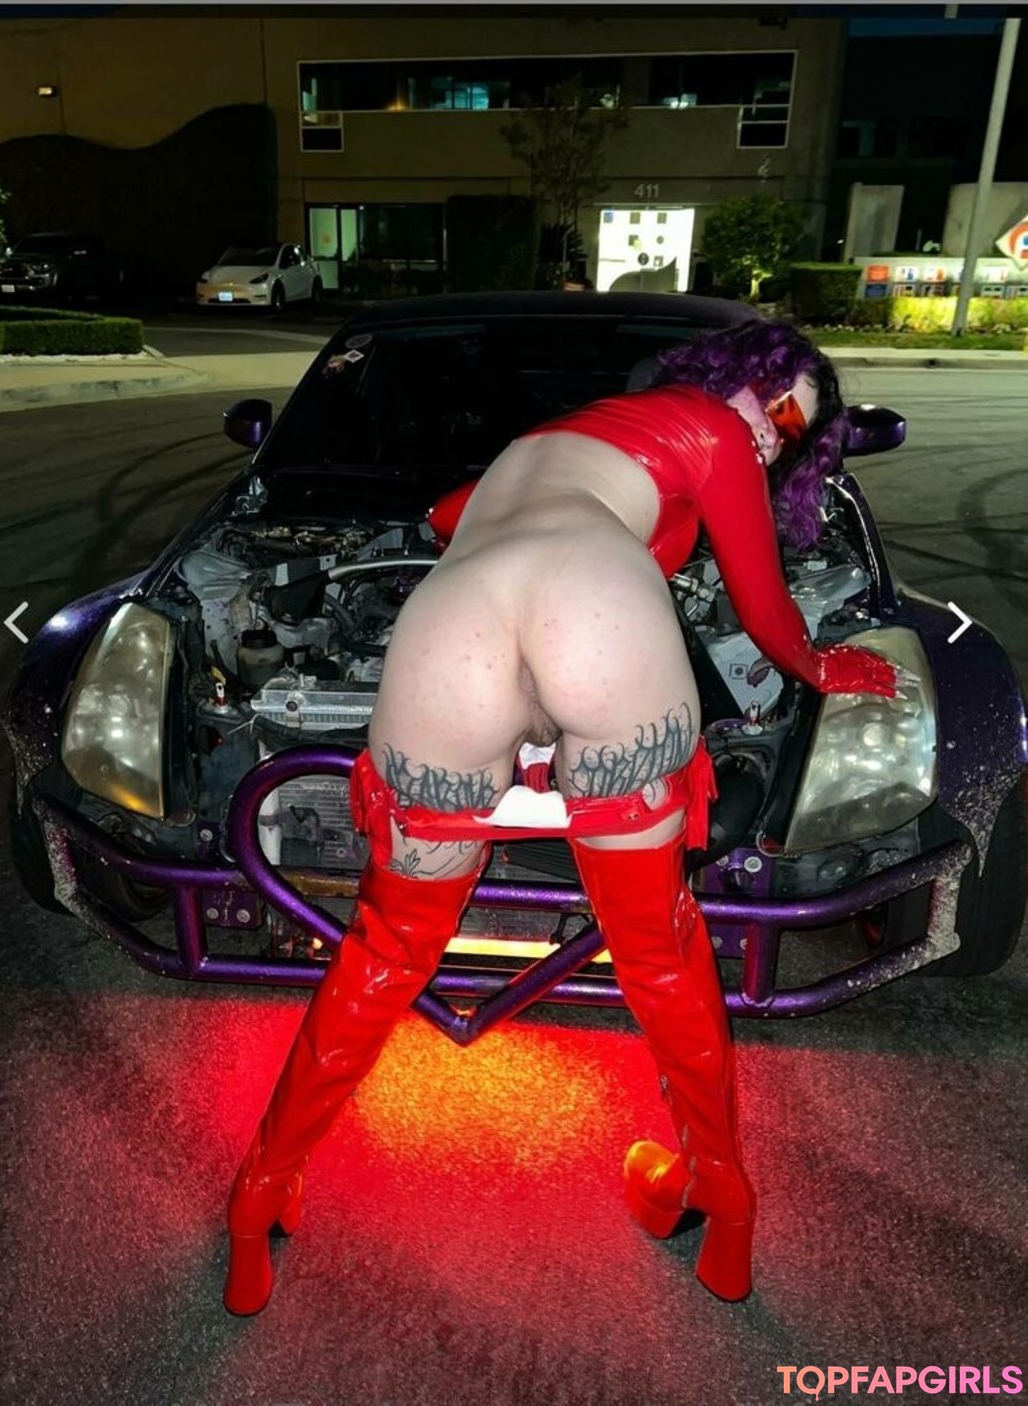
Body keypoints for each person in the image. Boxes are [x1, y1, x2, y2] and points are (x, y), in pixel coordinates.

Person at [223, 319, 897, 1315]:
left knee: (386, 947)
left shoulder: (544, 444)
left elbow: (445, 516)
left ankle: (259, 1194)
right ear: (731, 376)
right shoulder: (707, 426)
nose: (773, 434)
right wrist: (820, 664)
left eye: (793, 434)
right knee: (657, 948)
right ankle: (719, 1197)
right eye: (778, 404)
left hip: (453, 631)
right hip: (600, 619)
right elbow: (762, 605)